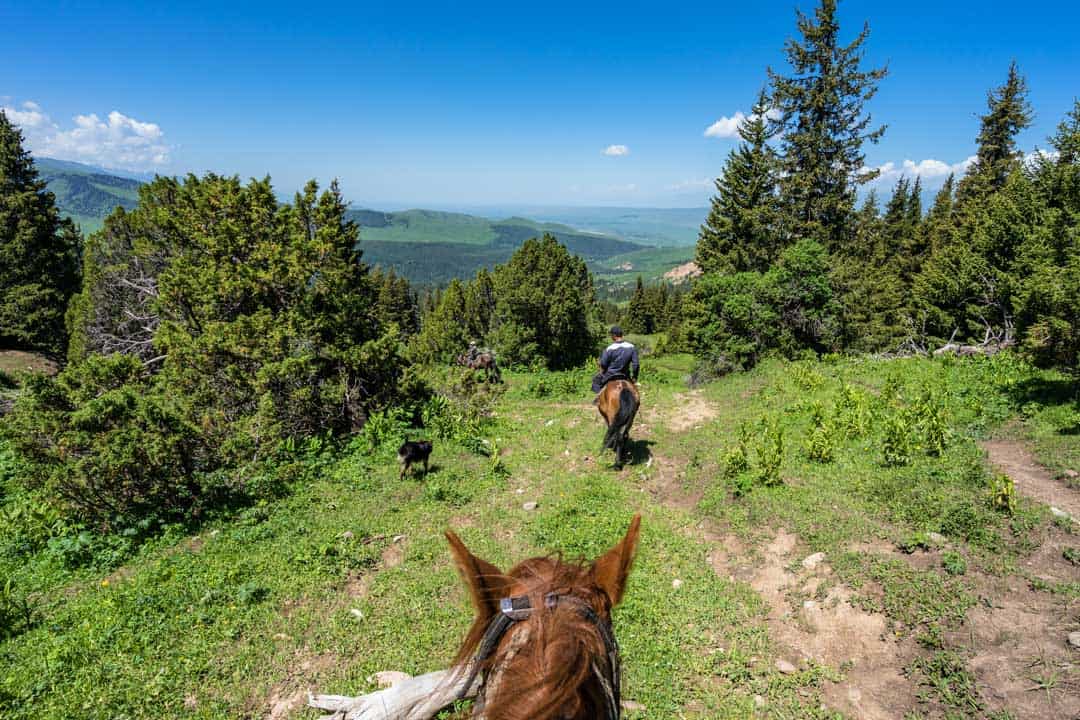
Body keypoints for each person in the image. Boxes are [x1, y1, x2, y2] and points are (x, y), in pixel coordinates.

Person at [592, 325, 639, 394]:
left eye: (611, 335)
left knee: (596, 381)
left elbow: (603, 364)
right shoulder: (631, 347)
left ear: (614, 335)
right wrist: (634, 377)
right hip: (625, 375)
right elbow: (636, 364)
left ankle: (598, 400)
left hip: (610, 375)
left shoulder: (609, 349)